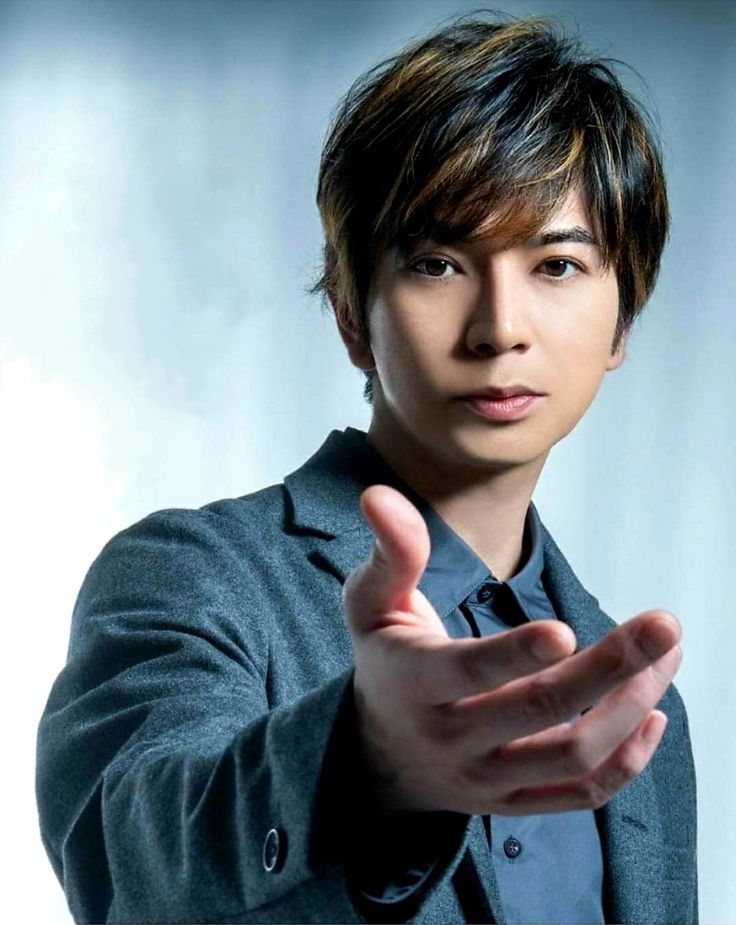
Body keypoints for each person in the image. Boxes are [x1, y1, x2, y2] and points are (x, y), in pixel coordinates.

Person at [36, 10, 698, 924]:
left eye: (555, 264)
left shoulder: (641, 712)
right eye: (438, 263)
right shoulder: (192, 577)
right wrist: (363, 763)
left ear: (621, 321)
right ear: (354, 314)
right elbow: (130, 866)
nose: (500, 327)